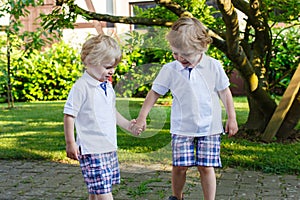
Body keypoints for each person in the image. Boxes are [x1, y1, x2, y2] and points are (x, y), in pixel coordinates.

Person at [133, 17, 238, 200]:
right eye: (175, 53)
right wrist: (142, 117)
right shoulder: (170, 69)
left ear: (202, 48)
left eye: (186, 55)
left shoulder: (213, 66)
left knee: (206, 166)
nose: (180, 58)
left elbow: (225, 92)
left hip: (210, 127)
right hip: (182, 127)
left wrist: (232, 117)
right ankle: (177, 197)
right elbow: (154, 93)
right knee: (180, 166)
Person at [63, 34, 141, 200]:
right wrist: (70, 143)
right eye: (107, 67)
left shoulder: (106, 86)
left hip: (108, 147)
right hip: (92, 149)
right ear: (90, 62)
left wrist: (128, 125)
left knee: (96, 190)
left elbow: (111, 112)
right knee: (104, 193)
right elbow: (69, 115)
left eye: (114, 67)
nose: (111, 71)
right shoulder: (81, 87)